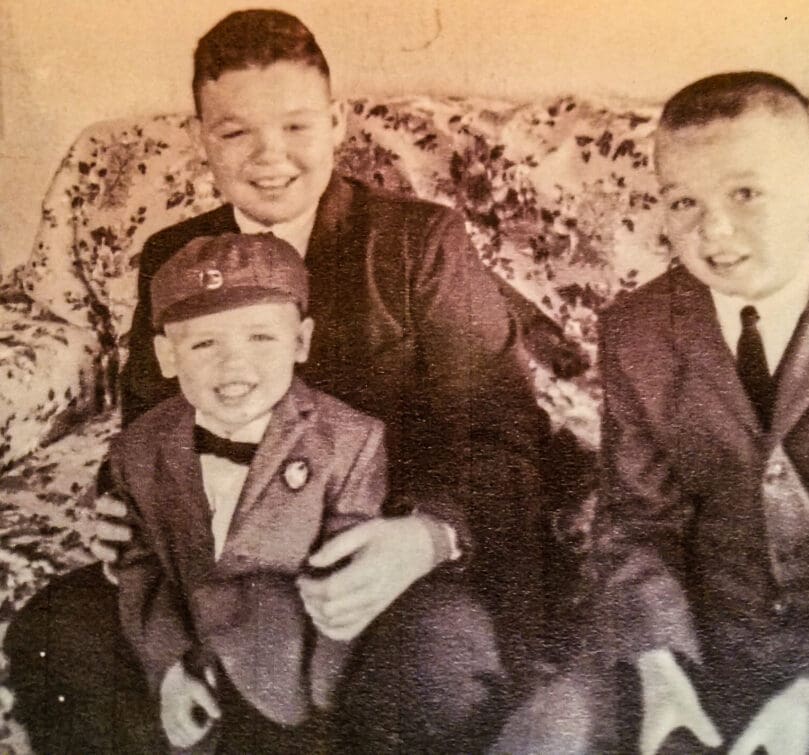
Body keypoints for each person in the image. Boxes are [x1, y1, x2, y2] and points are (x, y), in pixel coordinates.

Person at [6, 10, 552, 752]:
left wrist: (428, 536)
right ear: (202, 137)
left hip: (368, 563)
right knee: (55, 632)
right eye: (236, 132)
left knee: (438, 663)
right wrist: (118, 507)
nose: (271, 157)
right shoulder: (172, 254)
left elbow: (508, 435)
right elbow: (147, 426)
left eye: (296, 126)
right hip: (214, 566)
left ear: (336, 122)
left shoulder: (417, 243)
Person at [493, 71, 809, 754]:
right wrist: (661, 667)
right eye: (683, 202)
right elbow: (635, 524)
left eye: (746, 194)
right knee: (546, 737)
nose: (713, 230)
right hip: (693, 641)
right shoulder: (636, 331)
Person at [114, 232, 388, 752]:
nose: (234, 365)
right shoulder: (138, 448)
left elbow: (352, 584)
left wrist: (328, 710)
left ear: (301, 342)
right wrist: (169, 667)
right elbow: (142, 564)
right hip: (196, 674)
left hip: (297, 684)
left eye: (260, 337)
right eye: (204, 344)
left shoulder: (351, 441)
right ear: (167, 355)